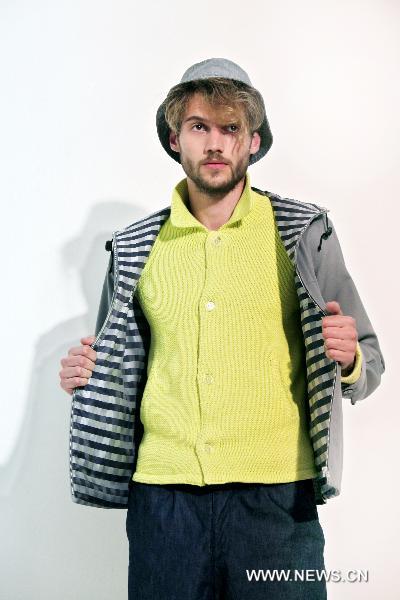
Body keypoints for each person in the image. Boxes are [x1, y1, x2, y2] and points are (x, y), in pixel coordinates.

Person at [59, 58, 385, 599]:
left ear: (253, 141)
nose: (215, 143)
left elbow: (368, 361)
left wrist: (349, 359)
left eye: (230, 128)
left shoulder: (301, 233)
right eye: (199, 127)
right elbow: (110, 362)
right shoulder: (136, 247)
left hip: (278, 500)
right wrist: (84, 377)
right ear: (174, 140)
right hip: (163, 502)